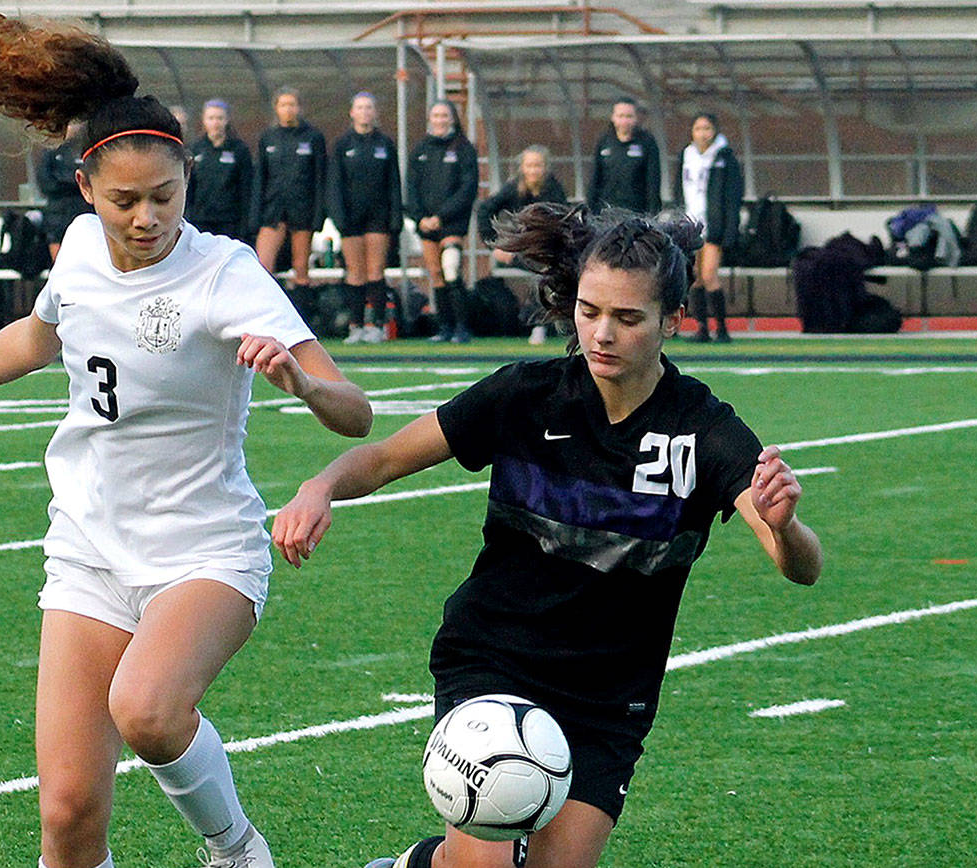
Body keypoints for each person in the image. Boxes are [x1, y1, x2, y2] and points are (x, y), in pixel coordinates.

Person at [0, 10, 372, 868]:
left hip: (202, 551)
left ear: (189, 182)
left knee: (146, 710)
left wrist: (300, 380)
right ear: (85, 191)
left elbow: (354, 411)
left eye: (165, 197)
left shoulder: (226, 272)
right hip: (89, 550)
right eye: (125, 201)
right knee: (67, 818)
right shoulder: (75, 248)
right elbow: (38, 335)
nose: (147, 219)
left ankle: (239, 851)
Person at [272, 203, 823, 868]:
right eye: (590, 311)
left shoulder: (703, 429)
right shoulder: (526, 395)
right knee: (485, 864)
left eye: (627, 318)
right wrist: (319, 487)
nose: (602, 333)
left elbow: (800, 565)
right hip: (495, 660)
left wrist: (785, 523)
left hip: (608, 695)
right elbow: (387, 456)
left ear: (671, 322)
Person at [328, 92, 401, 344]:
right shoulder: (342, 144)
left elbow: (393, 182)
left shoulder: (384, 144)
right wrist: (339, 217)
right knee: (355, 272)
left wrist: (395, 218)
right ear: (352, 112)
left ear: (374, 112)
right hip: (351, 218)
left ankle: (377, 325)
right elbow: (334, 184)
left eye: (369, 107)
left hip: (378, 217)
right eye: (359, 107)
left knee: (375, 271)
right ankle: (356, 325)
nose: (364, 112)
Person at [477, 145, 566, 345]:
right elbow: (484, 210)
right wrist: (495, 245)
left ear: (545, 168)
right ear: (522, 168)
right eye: (529, 165)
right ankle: (535, 323)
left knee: (547, 269)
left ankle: (540, 323)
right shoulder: (513, 188)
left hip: (546, 251)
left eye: (538, 165)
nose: (533, 170)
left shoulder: (554, 190)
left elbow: (562, 223)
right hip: (519, 251)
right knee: (542, 270)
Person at [252, 87, 327, 325]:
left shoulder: (313, 138)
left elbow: (319, 179)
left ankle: (301, 324)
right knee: (263, 266)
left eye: (292, 104)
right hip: (273, 211)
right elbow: (260, 179)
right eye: (283, 104)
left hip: (302, 211)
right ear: (276, 108)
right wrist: (257, 214)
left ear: (299, 107)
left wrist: (318, 216)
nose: (288, 109)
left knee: (301, 267)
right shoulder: (268, 138)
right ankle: (267, 321)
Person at [405, 100, 478, 343]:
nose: (439, 120)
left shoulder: (463, 148)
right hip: (426, 223)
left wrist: (441, 216)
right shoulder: (421, 149)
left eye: (444, 115)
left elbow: (468, 188)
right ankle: (444, 327)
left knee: (451, 269)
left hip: (452, 222)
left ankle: (462, 327)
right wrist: (420, 218)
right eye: (435, 115)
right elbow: (412, 187)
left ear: (453, 118)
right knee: (435, 273)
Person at [673, 112, 744, 343]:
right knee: (695, 278)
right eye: (698, 129)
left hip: (713, 225)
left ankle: (722, 329)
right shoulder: (686, 156)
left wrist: (730, 228)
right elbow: (678, 189)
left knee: (709, 274)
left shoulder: (725, 157)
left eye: (707, 129)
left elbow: (733, 197)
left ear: (714, 131)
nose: (703, 134)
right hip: (691, 225)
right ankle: (702, 328)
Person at [186, 99, 254, 242]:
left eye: (220, 118)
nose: (215, 123)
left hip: (229, 221)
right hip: (201, 219)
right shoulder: (195, 148)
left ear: (227, 120)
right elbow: (189, 186)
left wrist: (245, 223)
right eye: (211, 118)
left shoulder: (239, 149)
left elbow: (246, 188)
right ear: (204, 120)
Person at [586, 97, 661, 216]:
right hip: (607, 213)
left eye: (629, 116)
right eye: (620, 116)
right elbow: (594, 178)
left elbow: (653, 181)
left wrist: (653, 213)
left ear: (636, 118)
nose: (624, 121)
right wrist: (590, 209)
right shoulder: (604, 142)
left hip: (637, 213)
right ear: (613, 118)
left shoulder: (647, 142)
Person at [37, 126, 92, 262]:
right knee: (59, 256)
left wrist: (65, 181)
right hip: (57, 213)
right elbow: (45, 182)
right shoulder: (51, 151)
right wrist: (70, 184)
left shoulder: (85, 147)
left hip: (84, 211)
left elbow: (91, 179)